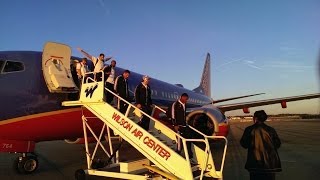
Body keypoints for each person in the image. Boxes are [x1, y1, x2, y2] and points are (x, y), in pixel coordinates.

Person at [240, 110, 282, 180]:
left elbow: (244, 144)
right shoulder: (271, 130)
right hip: (269, 163)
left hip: (254, 163)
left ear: (255, 118)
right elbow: (277, 144)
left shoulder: (249, 129)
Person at [168, 93, 194, 159]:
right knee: (179, 141)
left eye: (187, 99)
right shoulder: (175, 104)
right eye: (185, 99)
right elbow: (173, 115)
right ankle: (178, 152)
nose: (186, 100)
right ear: (181, 97)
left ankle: (189, 154)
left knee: (188, 138)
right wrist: (175, 125)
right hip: (178, 125)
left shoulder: (185, 105)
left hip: (184, 125)